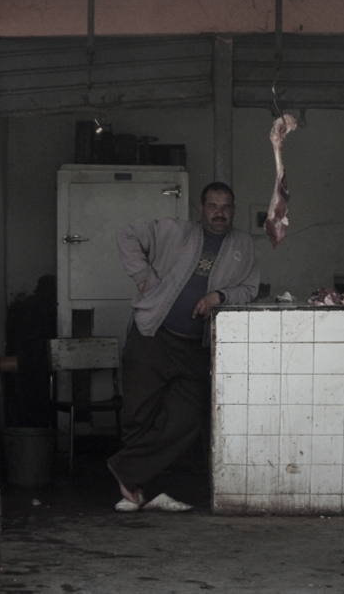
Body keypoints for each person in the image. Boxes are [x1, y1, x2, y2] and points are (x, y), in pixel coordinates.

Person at [107, 182, 260, 512]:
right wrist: (142, 275)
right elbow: (126, 235)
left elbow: (249, 288)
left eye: (226, 206)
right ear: (200, 209)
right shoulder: (173, 231)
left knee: (187, 419)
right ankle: (134, 493)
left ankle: (128, 473)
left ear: (233, 209)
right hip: (153, 336)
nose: (220, 212)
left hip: (194, 346)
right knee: (139, 415)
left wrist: (219, 296)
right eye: (213, 205)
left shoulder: (243, 244)